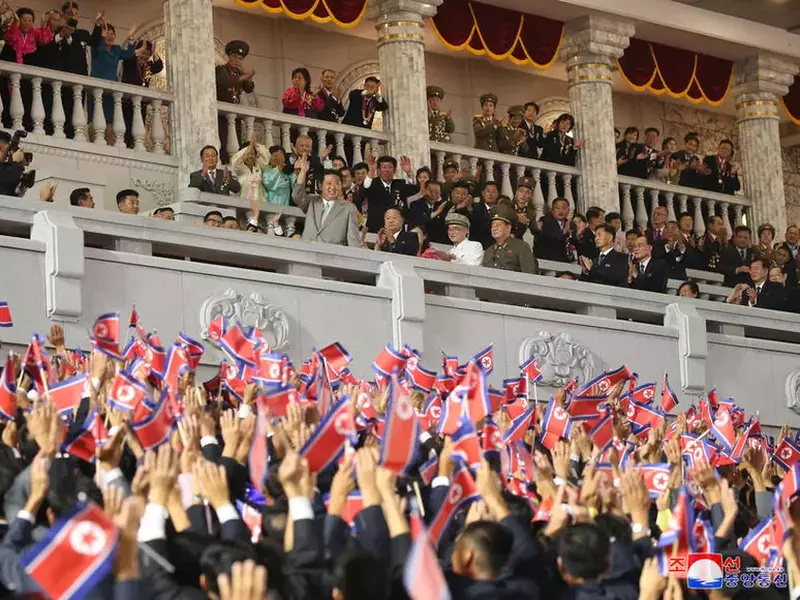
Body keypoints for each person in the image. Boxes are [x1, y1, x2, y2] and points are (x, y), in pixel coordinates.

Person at [291, 154, 360, 247]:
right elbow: (297, 196)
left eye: (337, 183)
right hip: (307, 253)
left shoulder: (349, 208)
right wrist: (303, 172)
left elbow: (353, 240)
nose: (333, 187)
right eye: (329, 183)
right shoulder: (312, 201)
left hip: (332, 258)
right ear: (320, 186)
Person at [90, 13, 136, 140]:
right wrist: (98, 26)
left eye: (112, 33)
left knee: (110, 120)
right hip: (97, 90)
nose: (109, 36)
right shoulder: (97, 47)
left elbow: (129, 55)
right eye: (106, 32)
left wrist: (131, 38)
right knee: (96, 119)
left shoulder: (116, 49)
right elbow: (95, 39)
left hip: (111, 91)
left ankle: (109, 145)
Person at [216, 40, 255, 160]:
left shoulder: (238, 73)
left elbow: (249, 89)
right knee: (223, 142)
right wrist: (243, 77)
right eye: (235, 57)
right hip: (222, 115)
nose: (237, 61)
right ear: (229, 56)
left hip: (234, 115)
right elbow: (225, 82)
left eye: (240, 58)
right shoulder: (221, 69)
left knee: (235, 142)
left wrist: (248, 78)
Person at [120, 40, 163, 148]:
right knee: (127, 129)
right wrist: (137, 50)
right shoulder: (130, 62)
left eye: (147, 54)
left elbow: (159, 66)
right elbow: (128, 56)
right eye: (143, 53)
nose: (145, 56)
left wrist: (154, 53)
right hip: (127, 102)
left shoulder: (148, 66)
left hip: (140, 104)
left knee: (138, 131)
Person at [361, 154, 417, 233]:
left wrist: (409, 173)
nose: (387, 170)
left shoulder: (399, 184)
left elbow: (412, 191)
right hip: (376, 230)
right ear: (379, 171)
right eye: (384, 167)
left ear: (394, 171)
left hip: (397, 231)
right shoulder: (372, 183)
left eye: (390, 167)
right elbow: (365, 189)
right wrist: (371, 171)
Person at [481, 204, 538, 274]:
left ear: (508, 227)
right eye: (492, 225)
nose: (494, 228)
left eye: (498, 225)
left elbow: (529, 274)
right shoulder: (488, 251)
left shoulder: (521, 247)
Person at [231, 136, 270, 204]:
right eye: (247, 154)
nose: (250, 156)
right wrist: (248, 147)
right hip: (243, 204)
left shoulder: (258, 167)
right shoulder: (239, 169)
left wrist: (256, 145)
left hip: (260, 204)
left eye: (252, 154)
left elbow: (267, 157)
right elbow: (235, 159)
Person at [535, 198, 571, 263]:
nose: (561, 211)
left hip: (565, 262)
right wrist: (565, 230)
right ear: (552, 210)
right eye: (557, 208)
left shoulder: (569, 223)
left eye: (564, 208)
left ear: (568, 211)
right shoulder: (545, 221)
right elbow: (554, 238)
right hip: (547, 261)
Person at [471, 182, 498, 250]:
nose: (490, 194)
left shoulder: (501, 210)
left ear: (498, 194)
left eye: (494, 192)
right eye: (488, 191)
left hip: (494, 248)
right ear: (483, 193)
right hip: (476, 248)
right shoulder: (474, 208)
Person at [509, 177, 538, 242]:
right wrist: (515, 216)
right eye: (521, 191)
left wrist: (541, 227)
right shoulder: (507, 206)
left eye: (527, 193)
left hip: (518, 245)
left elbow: (535, 231)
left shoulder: (530, 213)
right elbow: (497, 213)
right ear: (516, 192)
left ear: (530, 196)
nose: (523, 195)